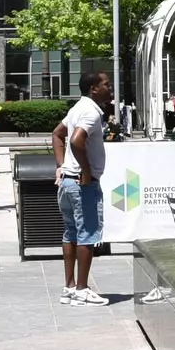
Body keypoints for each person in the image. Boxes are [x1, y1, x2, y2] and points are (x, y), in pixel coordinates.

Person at [53, 71, 112, 306]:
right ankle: (82, 289)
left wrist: (61, 166)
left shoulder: (77, 108)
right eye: (106, 85)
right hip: (81, 183)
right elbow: (76, 140)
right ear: (93, 89)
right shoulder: (90, 112)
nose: (110, 88)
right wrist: (86, 172)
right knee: (87, 235)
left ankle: (69, 287)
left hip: (67, 181)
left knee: (71, 234)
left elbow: (57, 134)